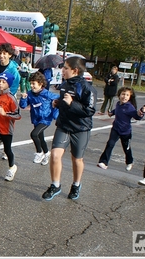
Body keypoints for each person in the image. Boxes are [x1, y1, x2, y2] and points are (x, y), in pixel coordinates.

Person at [42, 56, 97, 201]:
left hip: (80, 128)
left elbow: (89, 111)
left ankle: (76, 185)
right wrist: (58, 103)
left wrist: (71, 103)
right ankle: (55, 185)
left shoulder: (87, 88)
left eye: (65, 68)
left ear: (75, 70)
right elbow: (64, 102)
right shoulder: (65, 84)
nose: (63, 70)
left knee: (76, 160)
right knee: (54, 155)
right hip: (64, 126)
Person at [97, 86, 142, 171]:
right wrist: (112, 113)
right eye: (123, 94)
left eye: (127, 95)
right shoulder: (118, 104)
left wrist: (140, 114)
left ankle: (129, 161)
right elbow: (117, 110)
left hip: (125, 131)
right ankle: (104, 162)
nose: (124, 96)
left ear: (130, 97)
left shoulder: (129, 107)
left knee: (126, 148)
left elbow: (137, 117)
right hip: (116, 129)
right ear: (119, 95)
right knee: (110, 144)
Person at [19, 71, 59, 165]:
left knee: (34, 134)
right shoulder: (30, 94)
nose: (32, 86)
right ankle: (46, 153)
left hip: (45, 119)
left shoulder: (47, 94)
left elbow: (59, 97)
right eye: (31, 83)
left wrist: (55, 104)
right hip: (36, 119)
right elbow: (23, 106)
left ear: (40, 84)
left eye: (34, 84)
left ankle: (39, 152)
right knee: (40, 137)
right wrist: (23, 98)